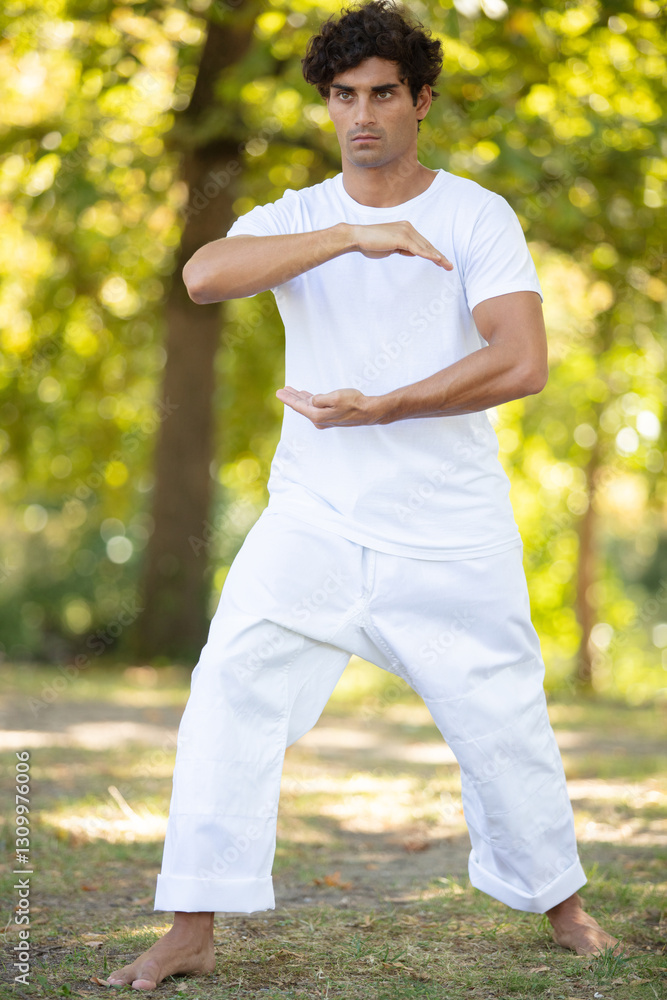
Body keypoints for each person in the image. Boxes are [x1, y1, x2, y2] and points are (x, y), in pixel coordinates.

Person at [104, 1, 618, 990]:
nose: (362, 114)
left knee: (502, 718)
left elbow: (522, 360)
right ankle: (190, 928)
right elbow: (205, 273)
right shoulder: (302, 217)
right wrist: (351, 236)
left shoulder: (475, 215)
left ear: (421, 100)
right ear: (328, 105)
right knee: (225, 694)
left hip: (447, 523)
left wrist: (383, 405)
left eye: (383, 93)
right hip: (315, 522)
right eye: (344, 96)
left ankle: (562, 903)